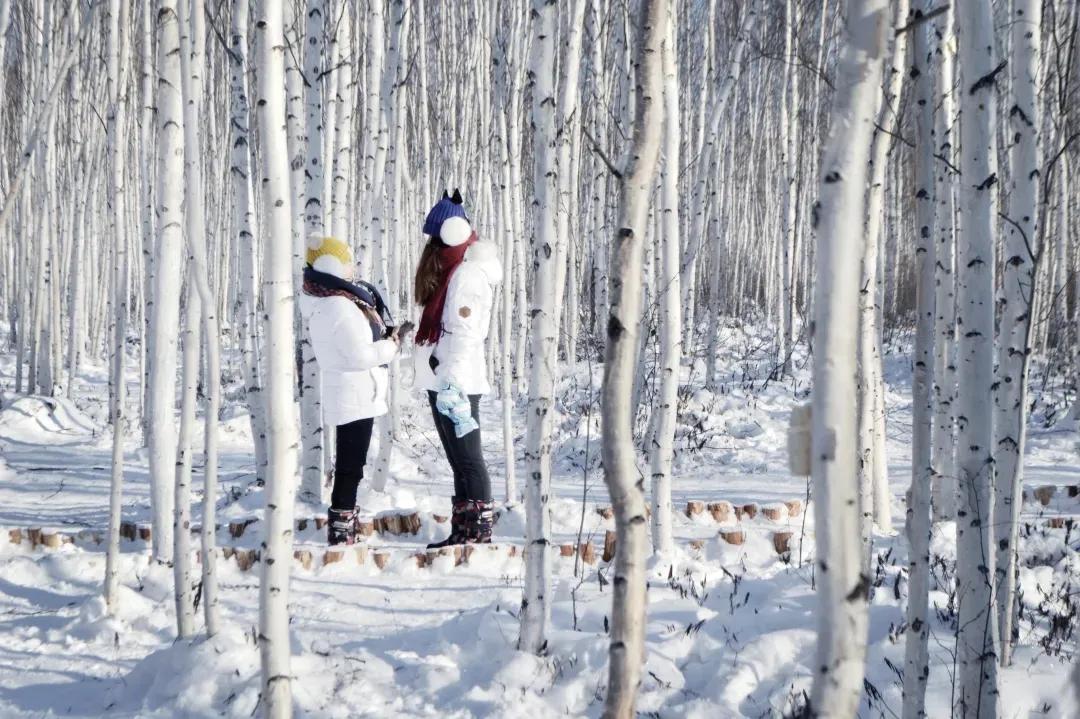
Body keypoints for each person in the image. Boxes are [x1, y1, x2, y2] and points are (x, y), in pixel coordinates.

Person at [300, 234, 404, 545]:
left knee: (351, 464)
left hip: (356, 392)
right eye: (346, 261)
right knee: (350, 465)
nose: (352, 266)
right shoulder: (338, 307)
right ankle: (342, 526)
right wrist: (391, 346)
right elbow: (359, 355)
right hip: (353, 394)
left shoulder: (336, 300)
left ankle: (344, 520)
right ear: (331, 265)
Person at [413, 190, 502, 548]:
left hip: (457, 380)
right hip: (447, 377)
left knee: (468, 459)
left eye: (435, 238)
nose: (431, 246)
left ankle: (478, 532)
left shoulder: (465, 276)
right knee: (459, 461)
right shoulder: (456, 272)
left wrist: (449, 378)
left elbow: (465, 333)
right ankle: (464, 530)